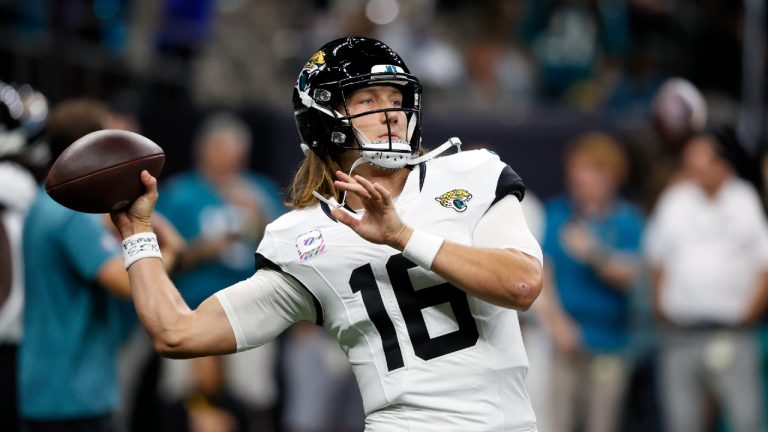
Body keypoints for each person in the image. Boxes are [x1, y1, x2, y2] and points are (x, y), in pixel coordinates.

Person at [111, 37, 544, 431]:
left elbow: (521, 283)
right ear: (323, 117)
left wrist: (402, 235)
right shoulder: (303, 237)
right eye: (368, 99)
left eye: (396, 98)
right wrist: (138, 233)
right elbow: (177, 333)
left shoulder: (472, 173)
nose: (391, 112)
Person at [18, 98, 182, 432]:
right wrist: (173, 251)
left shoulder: (46, 203)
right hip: (72, 393)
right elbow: (133, 285)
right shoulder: (70, 217)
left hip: (50, 385)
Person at [645, 126, 768, 432]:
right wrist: (662, 308)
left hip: (733, 333)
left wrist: (746, 316)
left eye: (703, 158)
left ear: (723, 164)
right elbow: (656, 260)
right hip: (681, 333)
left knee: (745, 420)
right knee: (682, 422)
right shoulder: (675, 199)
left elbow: (764, 266)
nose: (695, 166)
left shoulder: (745, 200)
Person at [537, 132, 645, 432]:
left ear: (609, 174)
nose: (577, 178)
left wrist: (595, 253)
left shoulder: (627, 219)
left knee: (603, 425)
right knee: (559, 424)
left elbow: (631, 276)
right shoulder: (557, 213)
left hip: (610, 345)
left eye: (586, 170)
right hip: (566, 342)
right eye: (574, 169)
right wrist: (557, 325)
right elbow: (544, 275)